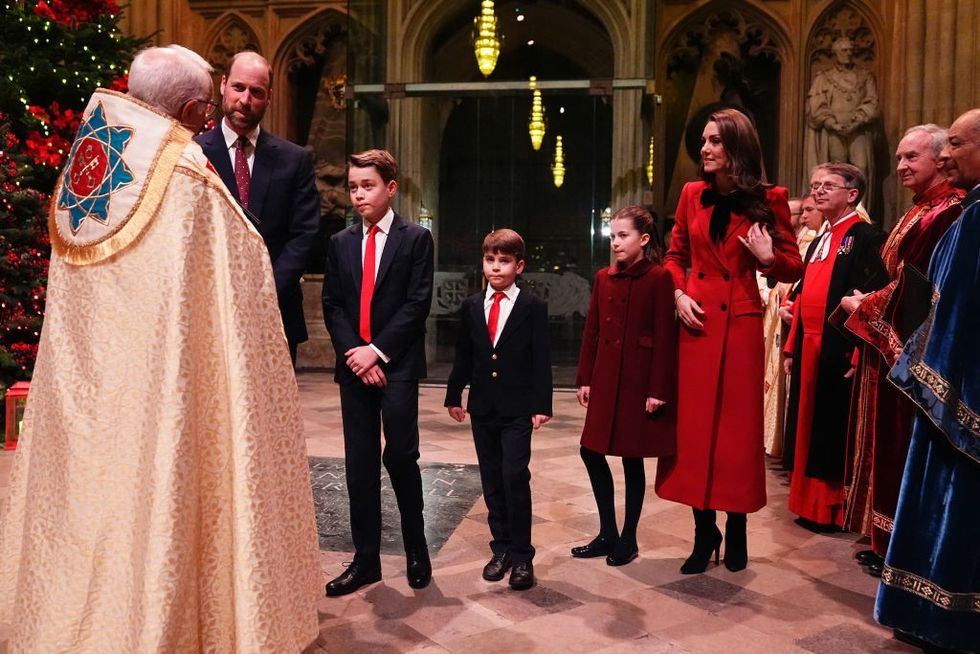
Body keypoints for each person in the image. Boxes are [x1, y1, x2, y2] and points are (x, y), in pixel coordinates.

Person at [0, 46, 321, 651]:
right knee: (157, 499)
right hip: (160, 389)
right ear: (201, 107)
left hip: (88, 386)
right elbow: (239, 283)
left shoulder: (91, 162)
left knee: (92, 505)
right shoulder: (187, 180)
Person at [654, 108, 804, 574]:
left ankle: (736, 526)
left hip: (739, 326)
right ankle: (704, 533)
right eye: (703, 141)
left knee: (736, 435)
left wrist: (767, 259)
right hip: (695, 325)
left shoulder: (770, 197)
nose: (705, 149)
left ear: (736, 146)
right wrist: (678, 293)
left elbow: (793, 265)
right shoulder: (691, 193)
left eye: (715, 141)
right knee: (695, 434)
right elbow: (674, 254)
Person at [874, 108, 980, 653]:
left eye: (954, 145)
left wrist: (922, 375)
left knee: (951, 508)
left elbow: (952, 308)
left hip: (954, 388)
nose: (944, 157)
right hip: (933, 368)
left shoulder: (966, 215)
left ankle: (943, 618)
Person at [836, 125, 963, 575]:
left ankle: (896, 542)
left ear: (940, 158)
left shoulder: (946, 213)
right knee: (885, 443)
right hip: (891, 342)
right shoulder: (924, 208)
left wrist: (861, 305)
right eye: (898, 157)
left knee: (900, 444)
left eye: (911, 157)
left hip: (914, 349)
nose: (900, 166)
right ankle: (882, 536)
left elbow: (920, 289)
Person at [321, 149, 434, 596]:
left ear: (390, 187)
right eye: (353, 187)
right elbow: (332, 304)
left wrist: (378, 353)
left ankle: (416, 549)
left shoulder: (414, 240)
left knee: (402, 457)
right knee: (359, 466)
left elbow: (416, 304)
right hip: (354, 369)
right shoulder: (341, 243)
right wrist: (355, 353)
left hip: (397, 365)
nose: (359, 194)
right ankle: (366, 559)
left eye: (367, 186)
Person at [444, 229, 552, 591]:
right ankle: (501, 548)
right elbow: (465, 354)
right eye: (490, 260)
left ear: (519, 266)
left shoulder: (532, 307)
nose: (496, 267)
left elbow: (541, 360)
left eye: (504, 261)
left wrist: (542, 404)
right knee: (491, 480)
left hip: (518, 408)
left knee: (514, 476)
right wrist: (453, 394)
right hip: (484, 407)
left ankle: (522, 556)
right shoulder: (472, 305)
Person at [196, 51, 319, 365]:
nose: (245, 99)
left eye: (256, 92)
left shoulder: (295, 159)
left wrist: (266, 291)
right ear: (222, 85)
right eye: (238, 87)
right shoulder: (193, 154)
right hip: (210, 308)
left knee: (274, 412)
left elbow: (304, 233)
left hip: (276, 309)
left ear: (269, 98)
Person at [782, 163, 888, 530]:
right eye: (815, 186)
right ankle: (805, 502)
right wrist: (792, 347)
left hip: (837, 348)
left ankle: (831, 509)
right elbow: (804, 298)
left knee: (830, 430)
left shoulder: (866, 237)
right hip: (810, 346)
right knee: (806, 428)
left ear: (853, 194)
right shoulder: (820, 239)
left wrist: (860, 351)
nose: (818, 191)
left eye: (829, 185)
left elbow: (872, 299)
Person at [572, 206, 677, 566]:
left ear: (644, 239)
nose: (615, 242)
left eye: (623, 235)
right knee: (590, 450)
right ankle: (606, 532)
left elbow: (666, 337)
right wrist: (585, 377)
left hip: (638, 380)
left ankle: (628, 538)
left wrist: (658, 389)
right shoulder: (603, 277)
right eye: (612, 235)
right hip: (605, 378)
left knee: (633, 459)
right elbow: (593, 331)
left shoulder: (659, 278)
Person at [762, 195, 820, 457]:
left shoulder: (812, 241)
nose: (803, 217)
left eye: (805, 211)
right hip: (778, 316)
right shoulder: (800, 240)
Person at [804, 36, 879, 198]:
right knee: (835, 172)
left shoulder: (865, 76)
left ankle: (861, 211)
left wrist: (858, 120)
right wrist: (832, 123)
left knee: (862, 169)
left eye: (851, 51)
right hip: (834, 131)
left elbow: (873, 102)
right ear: (836, 52)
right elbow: (816, 105)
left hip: (857, 129)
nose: (848, 54)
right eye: (844, 50)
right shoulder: (824, 77)